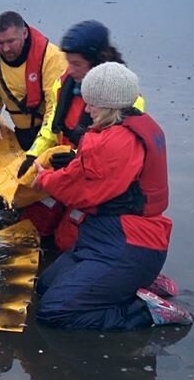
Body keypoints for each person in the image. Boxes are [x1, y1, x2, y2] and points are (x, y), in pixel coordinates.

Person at [33, 62, 193, 330]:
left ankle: (146, 311)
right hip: (110, 235)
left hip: (129, 244)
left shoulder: (116, 142)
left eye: (92, 103)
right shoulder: (131, 126)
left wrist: (44, 179)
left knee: (53, 312)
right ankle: (139, 281)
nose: (86, 109)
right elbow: (89, 174)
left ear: (110, 105)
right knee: (45, 287)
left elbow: (80, 192)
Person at [16, 20, 145, 248]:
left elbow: (116, 160)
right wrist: (33, 155)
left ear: (96, 63)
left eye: (77, 64)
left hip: (96, 181)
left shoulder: (127, 101)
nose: (70, 69)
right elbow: (51, 126)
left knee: (68, 239)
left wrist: (78, 158)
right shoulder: (64, 83)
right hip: (65, 168)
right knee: (34, 220)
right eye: (69, 62)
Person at [0, 11, 66, 152]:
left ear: (24, 33)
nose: (6, 48)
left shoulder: (52, 58)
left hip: (52, 132)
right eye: (0, 43)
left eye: (11, 41)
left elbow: (55, 106)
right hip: (22, 133)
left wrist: (37, 150)